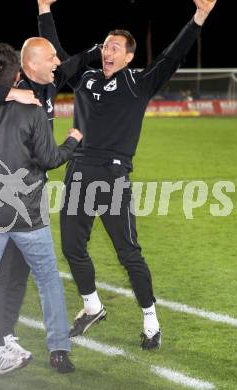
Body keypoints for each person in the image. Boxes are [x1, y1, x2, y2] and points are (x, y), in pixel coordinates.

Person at [38, 0, 217, 349]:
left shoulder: (139, 82)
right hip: (77, 172)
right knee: (72, 247)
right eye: (105, 46)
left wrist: (199, 17)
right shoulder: (86, 78)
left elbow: (172, 56)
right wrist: (44, 9)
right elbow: (57, 57)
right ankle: (92, 306)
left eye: (115, 48)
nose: (107, 51)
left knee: (128, 252)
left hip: (112, 176)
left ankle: (151, 321)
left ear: (128, 57)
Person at [0, 35, 100, 374]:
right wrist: (73, 141)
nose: (56, 62)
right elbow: (50, 158)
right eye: (50, 57)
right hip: (28, 210)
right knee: (37, 278)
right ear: (22, 72)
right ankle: (42, 348)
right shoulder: (30, 107)